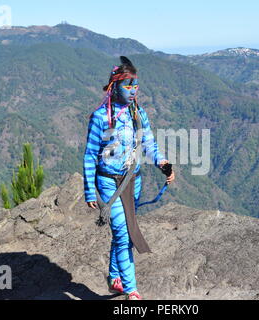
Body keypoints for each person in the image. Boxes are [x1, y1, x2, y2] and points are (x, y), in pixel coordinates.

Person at [83, 56, 175, 300]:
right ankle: (131, 290)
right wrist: (89, 190)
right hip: (108, 181)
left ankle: (115, 277)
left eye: (135, 85)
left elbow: (149, 143)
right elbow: (90, 154)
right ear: (115, 86)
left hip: (132, 180)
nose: (133, 90)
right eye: (128, 85)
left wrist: (162, 163)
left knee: (122, 233)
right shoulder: (101, 117)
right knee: (124, 233)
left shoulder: (138, 114)